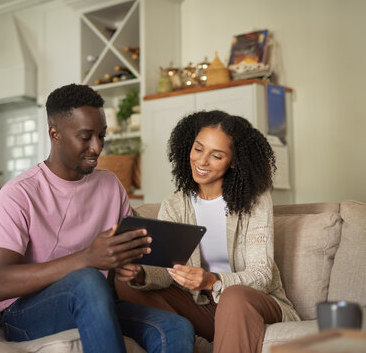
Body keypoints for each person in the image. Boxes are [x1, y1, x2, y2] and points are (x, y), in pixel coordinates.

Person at [0, 83, 195, 353]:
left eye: (102, 136)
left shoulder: (110, 185)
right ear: (55, 133)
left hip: (94, 300)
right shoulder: (19, 192)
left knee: (177, 327)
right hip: (23, 312)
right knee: (87, 279)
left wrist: (132, 267)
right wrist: (87, 258)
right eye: (86, 137)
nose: (97, 148)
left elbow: (130, 248)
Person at [115, 110, 300, 353]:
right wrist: (139, 273)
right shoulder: (175, 203)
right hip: (200, 306)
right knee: (126, 282)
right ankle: (192, 344)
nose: (202, 161)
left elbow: (262, 274)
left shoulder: (254, 200)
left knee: (233, 296)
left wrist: (213, 281)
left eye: (217, 155)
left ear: (233, 161)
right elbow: (166, 270)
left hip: (250, 301)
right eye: (198, 149)